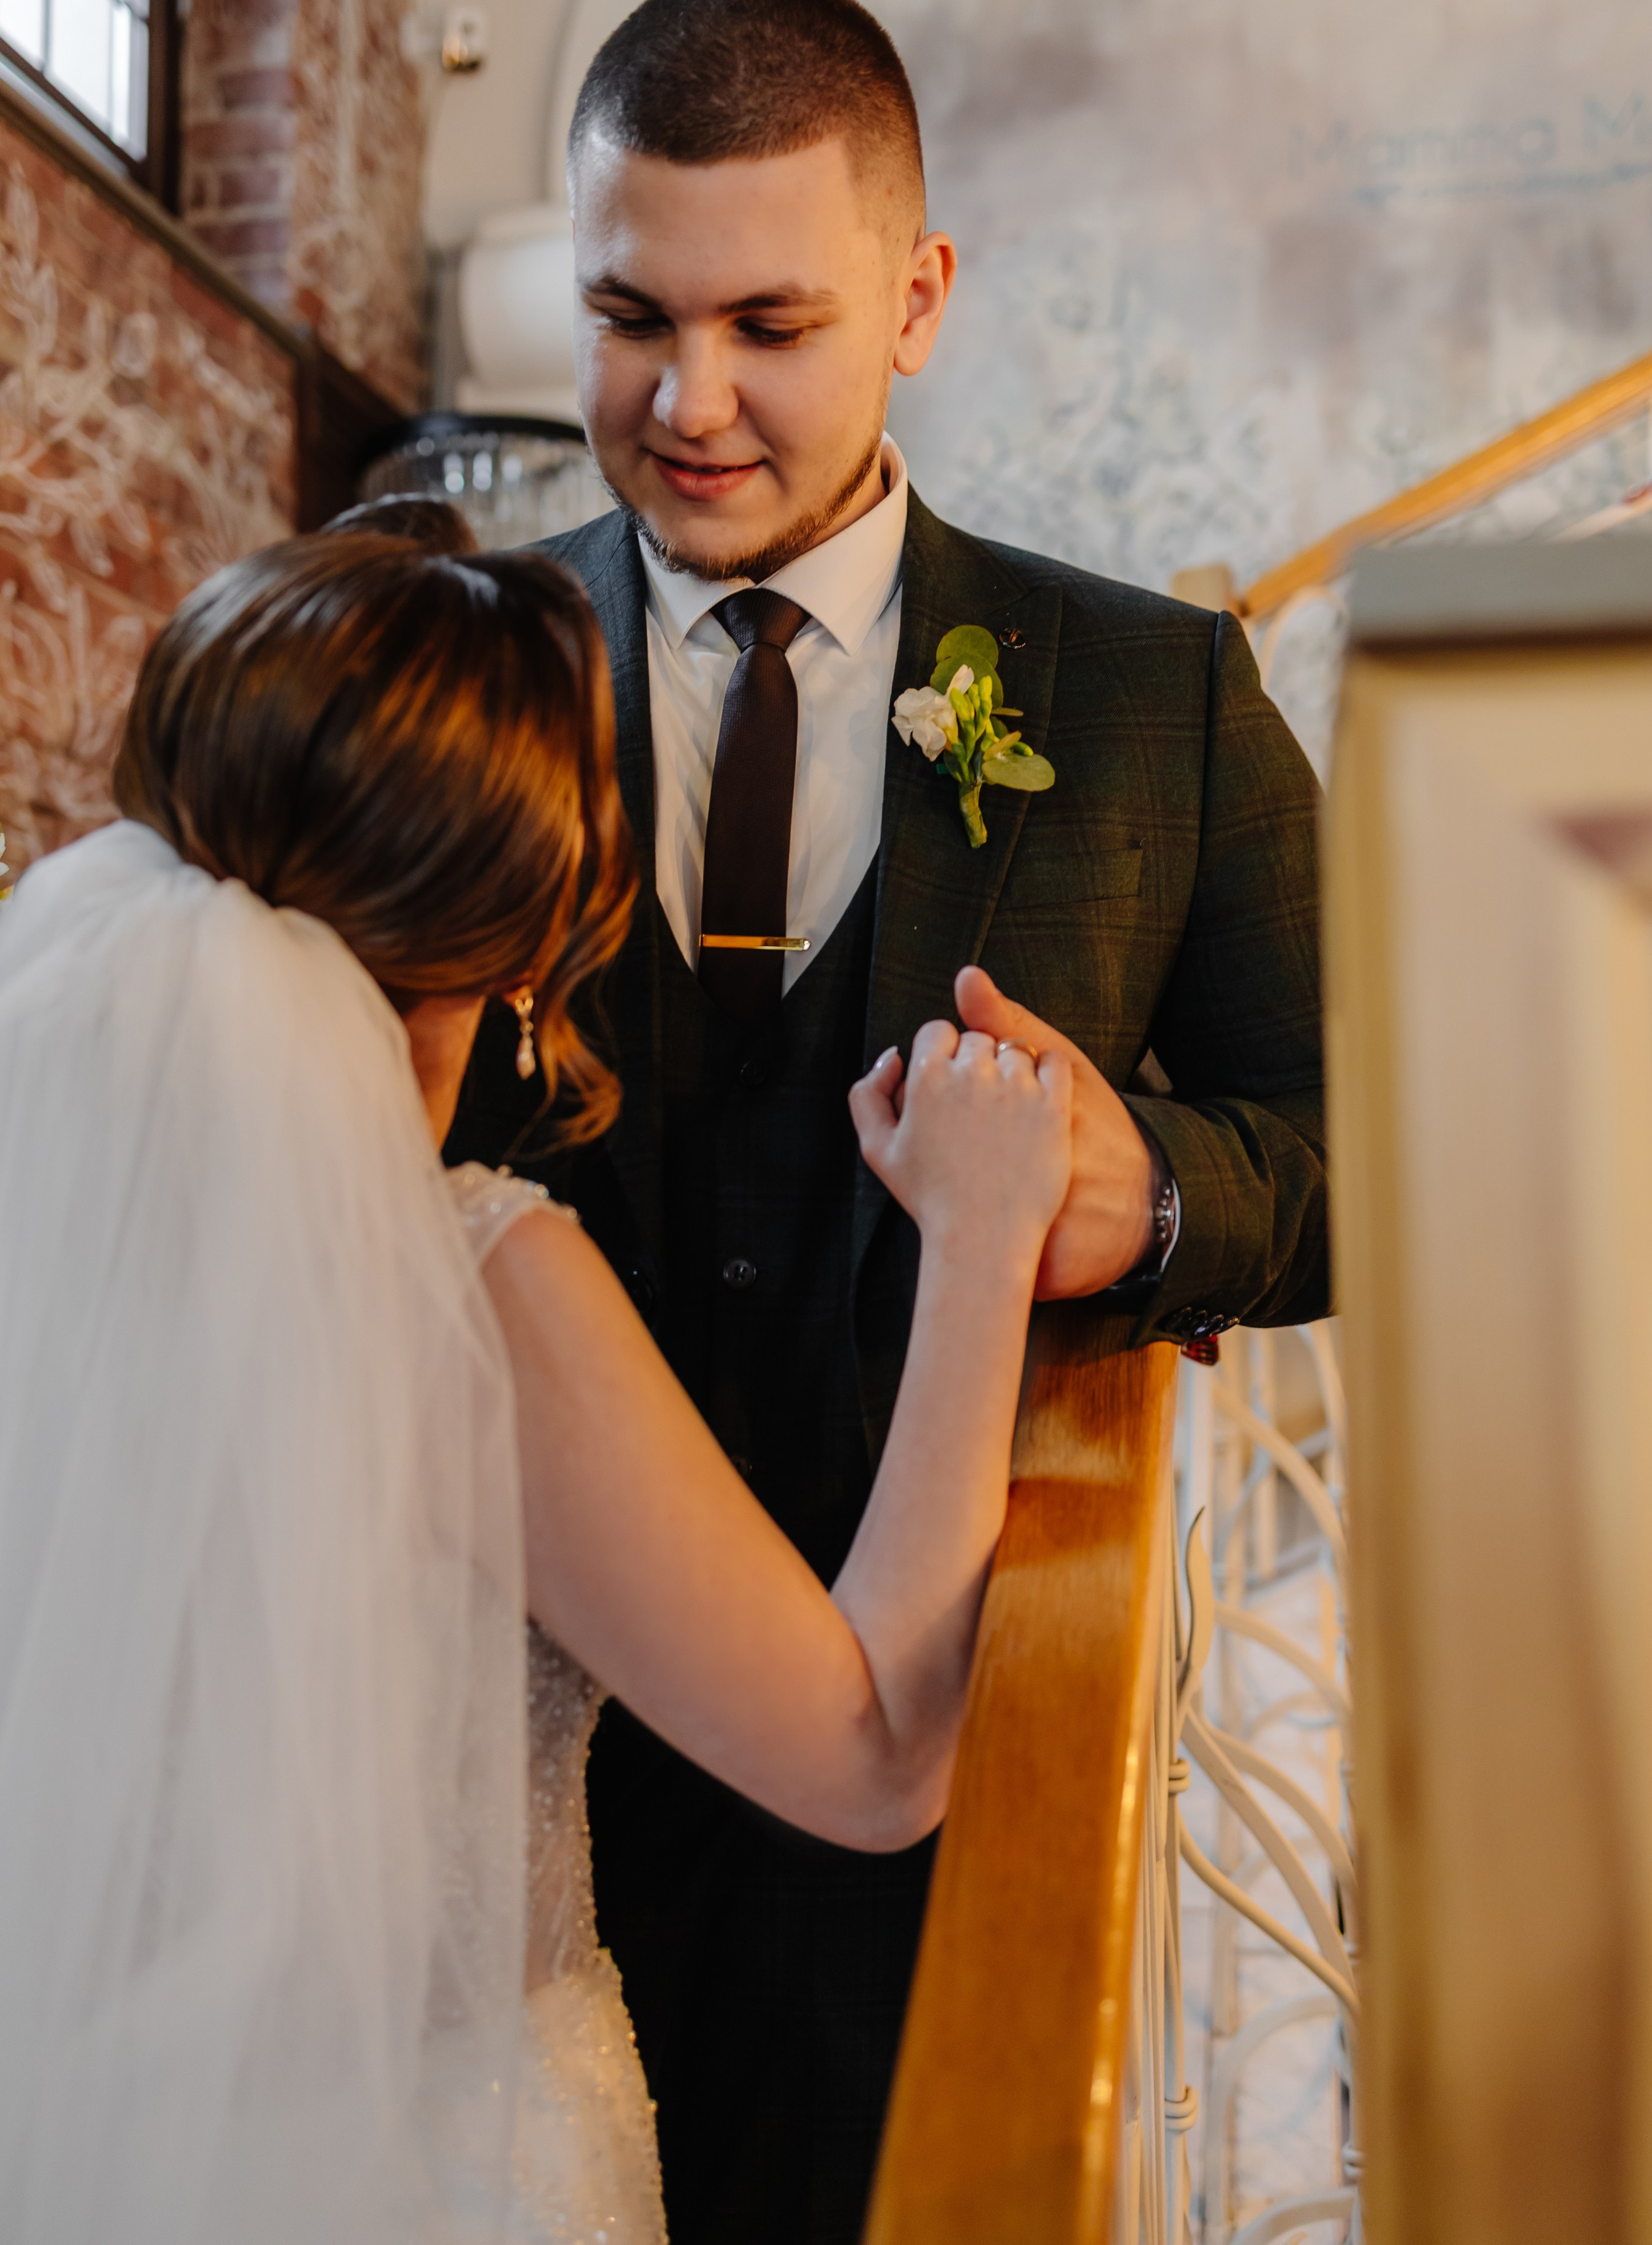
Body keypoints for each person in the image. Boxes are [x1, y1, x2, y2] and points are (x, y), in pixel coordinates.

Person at [447, 0, 1328, 2245]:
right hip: (505, 1817)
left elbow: (1362, 1159)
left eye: (773, 324)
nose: (690, 399)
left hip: (954, 1798)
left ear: (919, 298)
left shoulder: (1152, 697)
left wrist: (1151, 1199)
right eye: (630, 316)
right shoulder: (456, 679)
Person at [0, 531, 1071, 2245]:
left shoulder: (49, 1203)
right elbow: (874, 1757)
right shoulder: (470, 1291)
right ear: (523, 939)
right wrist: (985, 1232)